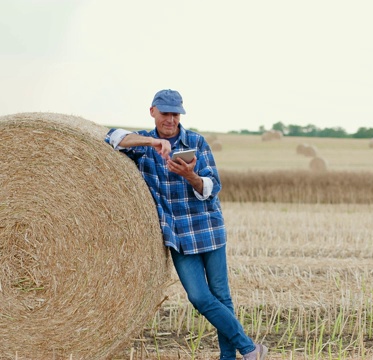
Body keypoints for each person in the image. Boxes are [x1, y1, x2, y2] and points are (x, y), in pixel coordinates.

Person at [105, 89, 267, 360]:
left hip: (208, 229)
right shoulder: (142, 147)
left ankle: (232, 357)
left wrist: (191, 176)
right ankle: (250, 349)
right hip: (177, 235)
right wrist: (151, 142)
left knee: (221, 297)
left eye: (175, 114)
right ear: (152, 111)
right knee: (200, 298)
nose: (171, 119)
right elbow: (112, 137)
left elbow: (213, 185)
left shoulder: (196, 141)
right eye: (165, 113)